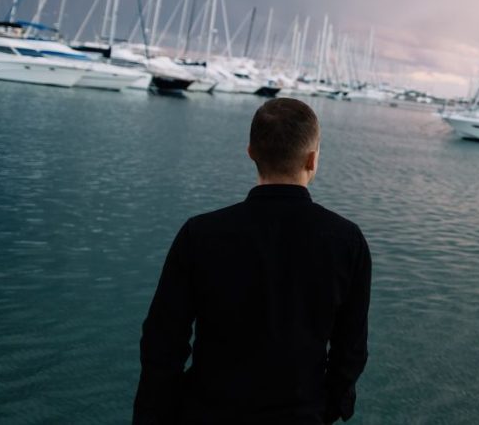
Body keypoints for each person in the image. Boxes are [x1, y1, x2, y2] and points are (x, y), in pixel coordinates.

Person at [134, 98, 371, 424]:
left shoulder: (200, 234)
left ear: (251, 152)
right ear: (312, 159)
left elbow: (162, 342)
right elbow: (351, 350)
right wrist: (327, 407)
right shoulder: (347, 241)